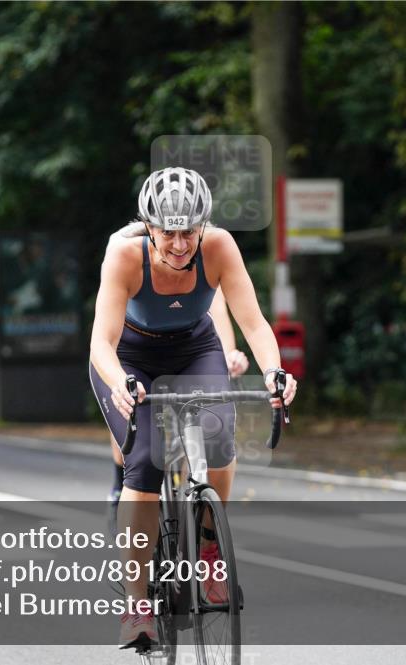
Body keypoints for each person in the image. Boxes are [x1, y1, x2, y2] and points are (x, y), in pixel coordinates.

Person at [89, 167, 297, 648]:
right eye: (168, 231)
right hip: (129, 355)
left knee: (221, 434)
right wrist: (120, 382)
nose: (180, 243)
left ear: (203, 225)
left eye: (189, 231)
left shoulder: (220, 247)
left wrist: (272, 371)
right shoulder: (125, 255)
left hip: (193, 347)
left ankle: (207, 549)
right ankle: (137, 605)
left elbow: (255, 323)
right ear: (148, 224)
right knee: (142, 468)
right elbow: (101, 341)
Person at [105, 285, 249, 508]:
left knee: (206, 431)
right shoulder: (130, 257)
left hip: (189, 353)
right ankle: (120, 479)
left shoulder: (204, 260)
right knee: (129, 415)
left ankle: (192, 512)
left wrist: (229, 356)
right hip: (136, 352)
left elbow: (218, 311)